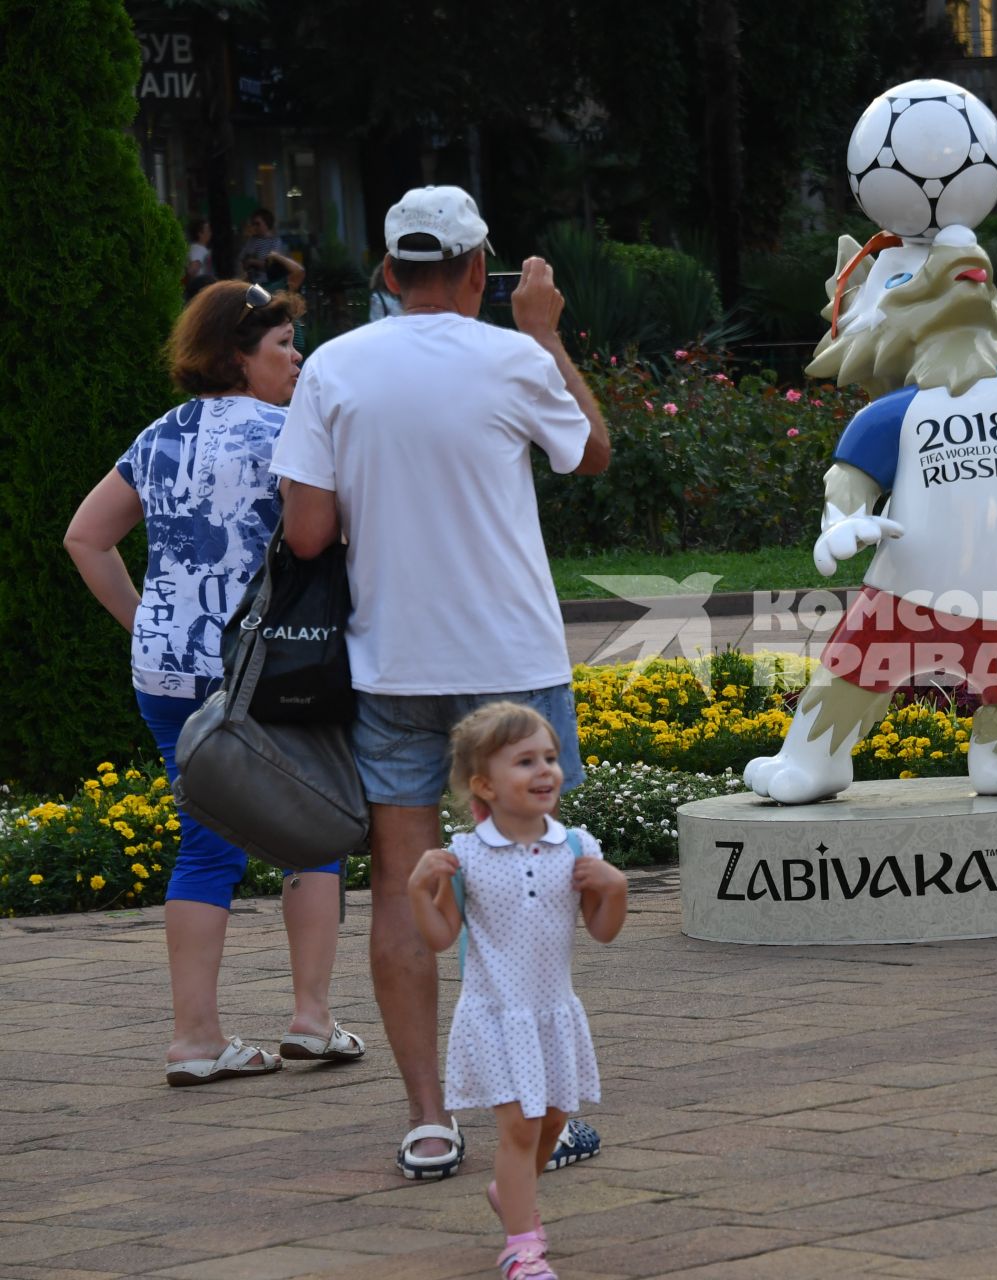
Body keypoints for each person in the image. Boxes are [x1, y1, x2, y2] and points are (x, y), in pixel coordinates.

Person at [271, 185, 611, 1180]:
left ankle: (429, 1118)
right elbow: (589, 452)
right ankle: (533, 1119)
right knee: (525, 899)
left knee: (404, 890)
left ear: (386, 272)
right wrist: (545, 334)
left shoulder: (333, 365)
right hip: (512, 667)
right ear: (477, 271)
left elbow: (305, 533)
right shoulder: (510, 355)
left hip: (394, 670)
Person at [63, 281, 361, 1086]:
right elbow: (319, 539)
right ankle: (311, 1018)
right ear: (238, 355)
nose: (296, 356)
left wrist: (146, 623)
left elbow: (85, 537)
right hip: (270, 668)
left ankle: (195, 1040)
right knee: (316, 823)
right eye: (281, 346)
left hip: (165, 672)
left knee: (204, 846)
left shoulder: (157, 437)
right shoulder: (289, 434)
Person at [408, 702, 627, 1280]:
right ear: (484, 784)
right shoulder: (466, 856)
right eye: (525, 761)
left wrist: (617, 890)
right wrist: (417, 891)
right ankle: (521, 1245)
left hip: (553, 1013)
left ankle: (512, 1191)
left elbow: (602, 933)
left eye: (550, 758)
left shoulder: (576, 847)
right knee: (520, 1127)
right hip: (495, 1014)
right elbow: (439, 938)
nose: (545, 771)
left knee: (553, 1122)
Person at [237, 208, 306, 294]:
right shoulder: (252, 241)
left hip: (270, 283)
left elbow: (271, 264)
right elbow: (242, 259)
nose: (255, 227)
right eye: (253, 224)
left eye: (258, 224)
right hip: (253, 282)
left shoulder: (275, 241)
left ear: (266, 224)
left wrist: (252, 262)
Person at [184, 217, 214, 298]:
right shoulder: (198, 249)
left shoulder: (197, 248)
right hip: (201, 289)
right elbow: (192, 270)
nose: (210, 233)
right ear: (200, 233)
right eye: (207, 230)